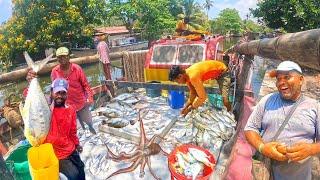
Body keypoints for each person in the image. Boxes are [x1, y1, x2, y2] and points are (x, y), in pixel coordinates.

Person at [244, 61, 320, 179]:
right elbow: (250, 128)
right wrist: (262, 148)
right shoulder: (267, 100)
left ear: (300, 80)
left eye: (287, 77)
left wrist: (311, 149)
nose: (281, 83)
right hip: (265, 172)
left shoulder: (315, 107)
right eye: (278, 79)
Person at [26, 47, 96, 134]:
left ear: (69, 57)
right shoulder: (54, 71)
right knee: (74, 129)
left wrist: (90, 98)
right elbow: (54, 89)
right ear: (57, 59)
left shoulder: (77, 69)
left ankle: (91, 130)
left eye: (64, 56)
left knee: (89, 122)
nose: (62, 58)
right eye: (59, 57)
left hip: (81, 103)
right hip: (67, 107)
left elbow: (86, 85)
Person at [45, 78, 85, 180]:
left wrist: (77, 144)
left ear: (67, 95)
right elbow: (32, 103)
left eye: (63, 93)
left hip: (70, 149)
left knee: (81, 170)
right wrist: (30, 81)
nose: (59, 96)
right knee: (74, 176)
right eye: (57, 92)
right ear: (52, 92)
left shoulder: (71, 110)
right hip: (57, 154)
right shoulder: (47, 110)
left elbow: (72, 132)